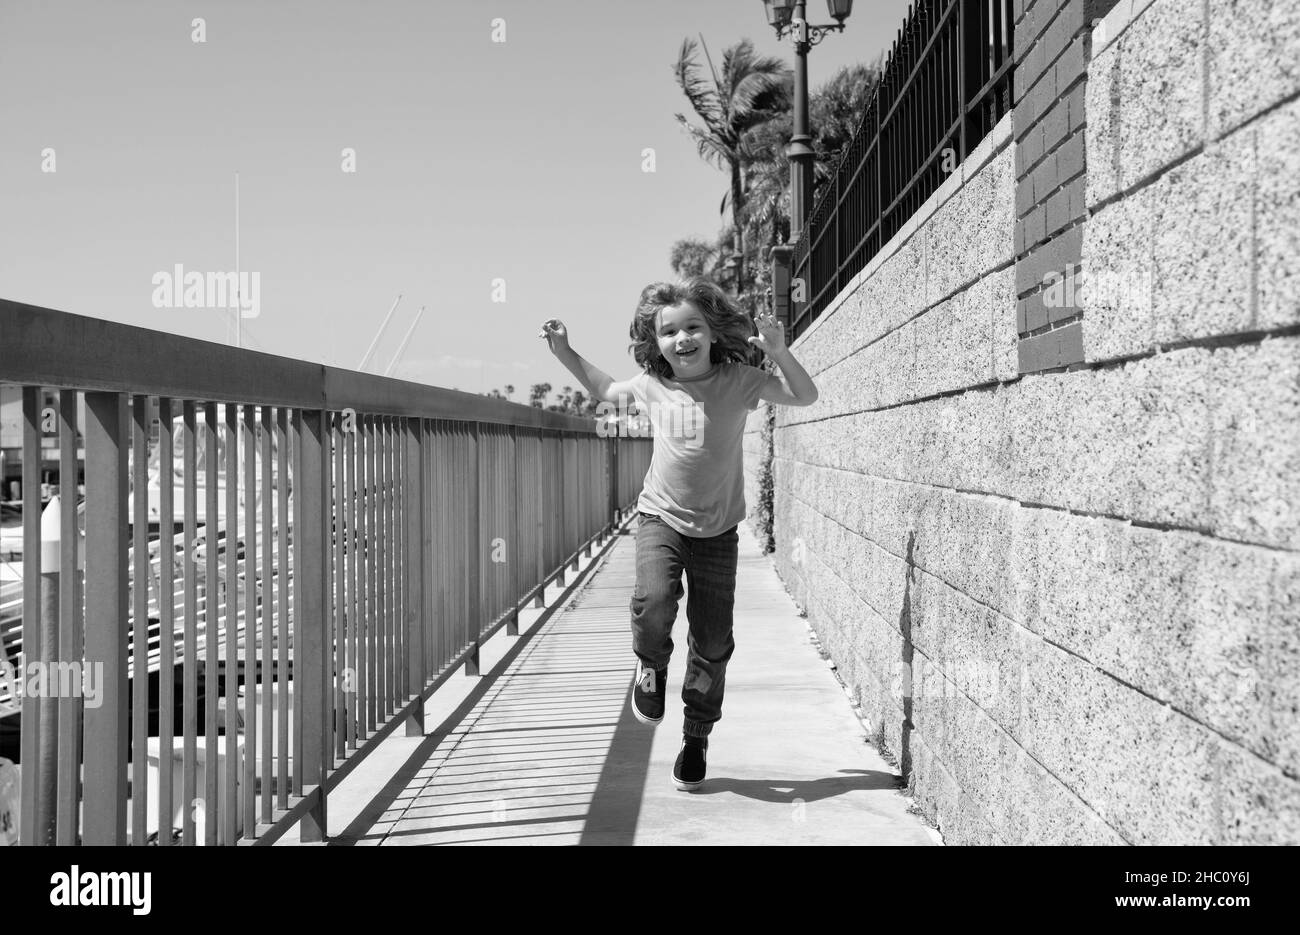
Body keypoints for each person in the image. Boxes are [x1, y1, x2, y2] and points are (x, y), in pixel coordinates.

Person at [538, 278, 818, 790]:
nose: (682, 338)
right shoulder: (652, 385)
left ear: (713, 332)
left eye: (693, 327)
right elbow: (604, 390)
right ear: (656, 341)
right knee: (654, 600)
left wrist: (780, 352)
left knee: (712, 641)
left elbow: (805, 395)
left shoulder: (741, 380)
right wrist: (565, 351)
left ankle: (696, 736)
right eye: (669, 332)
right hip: (660, 518)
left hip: (718, 531)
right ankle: (650, 668)